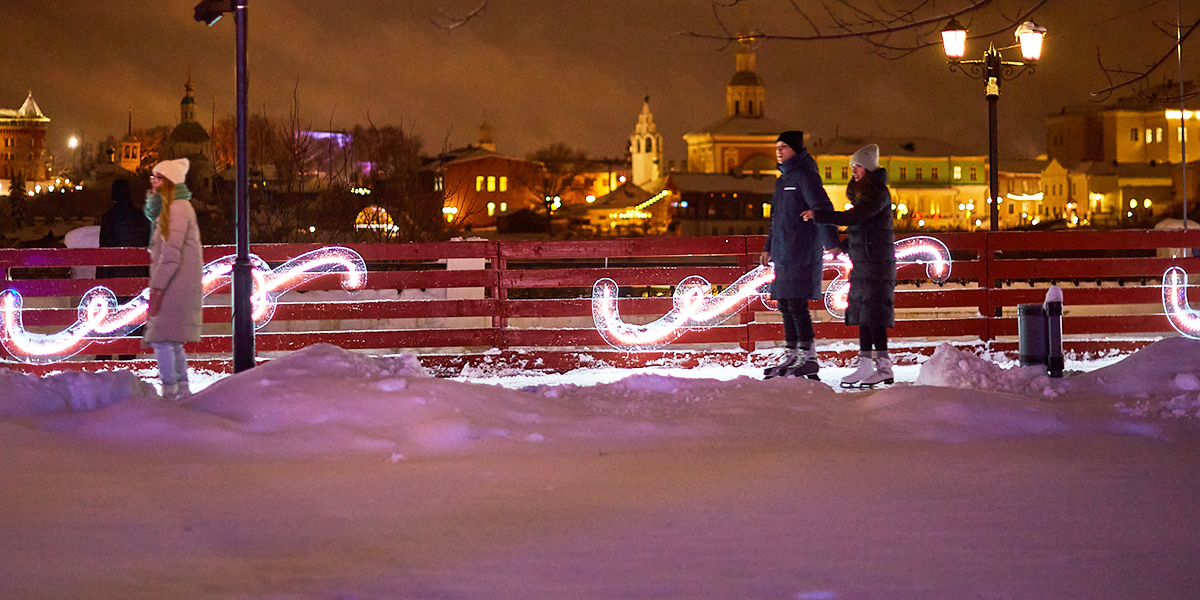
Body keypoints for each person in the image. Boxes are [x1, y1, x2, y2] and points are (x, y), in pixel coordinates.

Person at [802, 143, 896, 387]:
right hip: (865, 262)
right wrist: (841, 248)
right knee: (864, 315)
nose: (854, 170)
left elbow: (855, 218)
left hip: (877, 264)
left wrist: (819, 215)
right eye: (853, 166)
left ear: (868, 168)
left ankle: (883, 367)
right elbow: (861, 230)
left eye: (859, 166)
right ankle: (865, 365)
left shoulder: (877, 193)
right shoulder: (865, 194)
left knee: (873, 315)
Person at [761, 130, 838, 379]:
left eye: (784, 147)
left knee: (796, 302)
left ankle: (808, 357)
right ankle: (792, 354)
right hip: (783, 252)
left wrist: (832, 243)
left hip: (801, 250)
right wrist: (768, 247)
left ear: (796, 149)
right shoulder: (783, 179)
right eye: (777, 147)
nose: (779, 151)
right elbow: (776, 219)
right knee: (784, 302)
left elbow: (822, 208)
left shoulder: (805, 176)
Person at [142, 158, 203, 400]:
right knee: (171, 340)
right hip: (177, 284)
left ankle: (171, 393)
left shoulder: (177, 209)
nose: (153, 183)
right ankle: (182, 390)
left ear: (168, 182)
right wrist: (152, 204)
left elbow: (170, 254)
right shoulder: (174, 207)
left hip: (173, 285)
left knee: (163, 339)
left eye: (157, 178)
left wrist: (157, 288)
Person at [96, 179, 152, 361]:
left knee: (109, 318)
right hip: (136, 277)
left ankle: (104, 358)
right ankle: (127, 358)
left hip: (113, 276)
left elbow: (105, 251)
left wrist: (100, 282)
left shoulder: (109, 218)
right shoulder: (141, 217)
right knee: (131, 319)